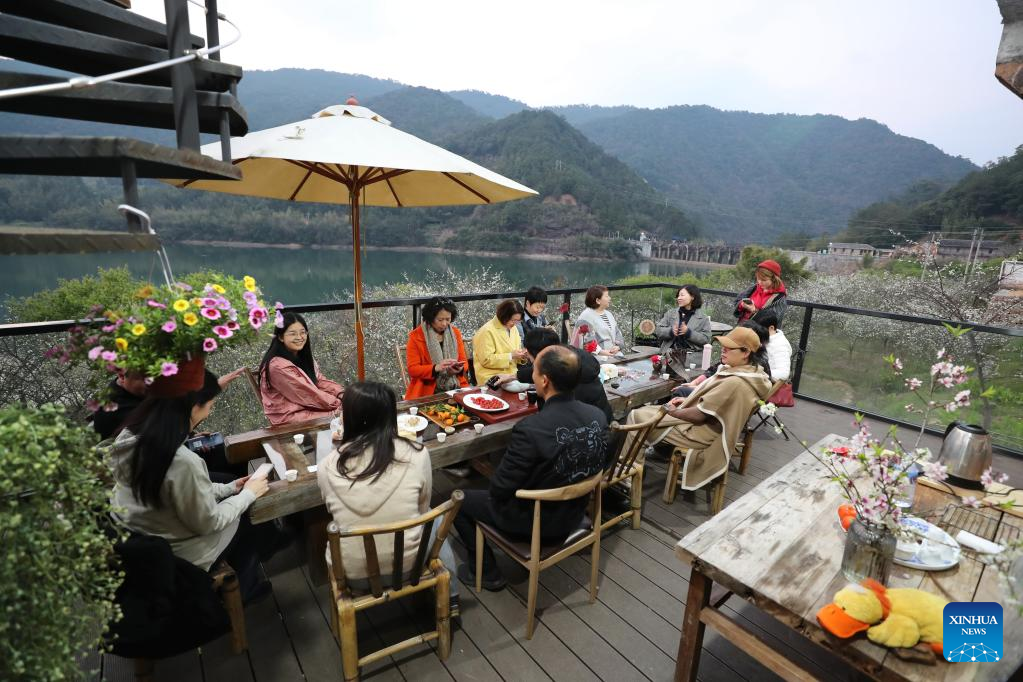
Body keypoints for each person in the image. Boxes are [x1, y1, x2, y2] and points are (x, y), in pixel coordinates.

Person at [109, 369, 277, 604]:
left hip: (147, 535)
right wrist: (248, 494)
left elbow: (181, 493)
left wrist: (230, 488)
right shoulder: (180, 461)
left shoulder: (130, 437)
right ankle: (246, 589)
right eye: (210, 404)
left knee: (237, 500)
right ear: (193, 406)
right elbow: (210, 522)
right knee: (248, 516)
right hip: (178, 553)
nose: (210, 410)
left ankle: (252, 568)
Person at [453, 345, 610, 589]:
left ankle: (488, 573)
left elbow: (499, 489)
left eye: (534, 370)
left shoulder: (531, 429)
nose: (531, 375)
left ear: (544, 380)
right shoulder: (597, 416)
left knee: (460, 501)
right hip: (577, 512)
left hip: (538, 522)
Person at [317, 382, 459, 608]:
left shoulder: (327, 466)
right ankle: (451, 600)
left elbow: (330, 509)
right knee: (435, 516)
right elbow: (423, 508)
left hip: (352, 573)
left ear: (349, 418)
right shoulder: (417, 454)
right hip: (409, 565)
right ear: (391, 415)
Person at [623, 327, 773, 481]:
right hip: (714, 428)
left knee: (637, 417)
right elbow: (715, 405)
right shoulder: (753, 374)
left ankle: (628, 476)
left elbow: (699, 416)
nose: (723, 350)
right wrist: (688, 401)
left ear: (746, 352)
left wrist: (671, 411)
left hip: (701, 434)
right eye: (723, 346)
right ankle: (639, 463)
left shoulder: (735, 382)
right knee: (649, 412)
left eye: (729, 348)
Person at [494, 327, 613, 424]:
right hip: (604, 422)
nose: (532, 364)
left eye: (531, 359)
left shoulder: (566, 384)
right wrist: (513, 376)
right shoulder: (568, 356)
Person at [258, 312, 344, 426]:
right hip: (291, 417)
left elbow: (319, 381)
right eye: (292, 334)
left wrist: (342, 394)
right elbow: (307, 394)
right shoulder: (277, 366)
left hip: (310, 408)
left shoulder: (301, 356)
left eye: (303, 332)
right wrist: (340, 404)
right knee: (348, 414)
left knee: (351, 410)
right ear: (280, 337)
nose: (299, 337)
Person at [673, 320, 770, 398]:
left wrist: (697, 387)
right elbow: (713, 371)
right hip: (716, 394)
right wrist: (694, 383)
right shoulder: (738, 361)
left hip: (718, 398)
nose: (723, 349)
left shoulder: (749, 370)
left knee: (681, 391)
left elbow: (721, 392)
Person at [404, 297, 470, 399]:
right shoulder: (416, 336)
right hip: (426, 390)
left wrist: (458, 369)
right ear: (431, 318)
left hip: (456, 386)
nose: (444, 323)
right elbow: (413, 370)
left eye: (448, 319)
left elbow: (464, 363)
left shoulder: (455, 333)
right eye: (440, 320)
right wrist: (436, 368)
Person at [655, 285, 712, 372]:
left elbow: (706, 338)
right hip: (669, 355)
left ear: (692, 297)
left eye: (682, 295)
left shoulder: (703, 318)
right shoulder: (671, 313)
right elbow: (658, 330)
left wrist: (689, 333)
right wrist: (670, 332)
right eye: (678, 295)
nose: (679, 298)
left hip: (691, 359)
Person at [472, 299, 528, 386]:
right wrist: (510, 356)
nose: (515, 323)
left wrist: (522, 356)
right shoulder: (486, 331)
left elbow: (515, 353)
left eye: (518, 321)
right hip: (492, 377)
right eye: (513, 320)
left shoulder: (513, 328)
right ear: (504, 316)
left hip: (510, 376)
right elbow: (486, 360)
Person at [573, 285, 625, 358]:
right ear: (598, 300)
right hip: (596, 358)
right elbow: (586, 342)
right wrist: (602, 352)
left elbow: (617, 332)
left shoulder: (608, 314)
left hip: (614, 355)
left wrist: (618, 347)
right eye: (606, 296)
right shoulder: (586, 317)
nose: (610, 298)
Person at [734, 259, 787, 327]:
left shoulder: (779, 297)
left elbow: (774, 319)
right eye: (758, 279)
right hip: (742, 327)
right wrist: (742, 305)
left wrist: (754, 310)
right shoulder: (754, 288)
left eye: (764, 280)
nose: (760, 282)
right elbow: (737, 301)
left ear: (774, 279)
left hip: (760, 332)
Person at [752, 310, 792, 382]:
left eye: (759, 330)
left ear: (771, 328)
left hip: (765, 382)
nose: (756, 332)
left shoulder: (780, 346)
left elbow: (783, 373)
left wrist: (756, 373)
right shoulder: (766, 340)